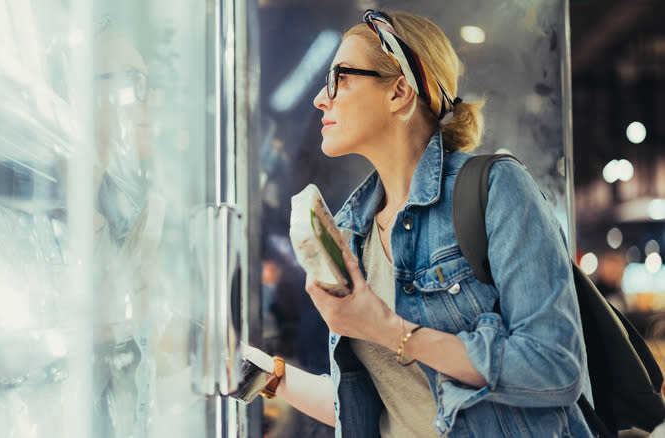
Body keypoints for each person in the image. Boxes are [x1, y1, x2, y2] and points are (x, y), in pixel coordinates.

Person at [243, 9, 595, 437]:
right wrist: (260, 370)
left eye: (341, 77)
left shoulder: (496, 189)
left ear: (400, 92)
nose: (321, 97)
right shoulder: (352, 232)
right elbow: (379, 407)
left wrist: (390, 331)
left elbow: (555, 366)